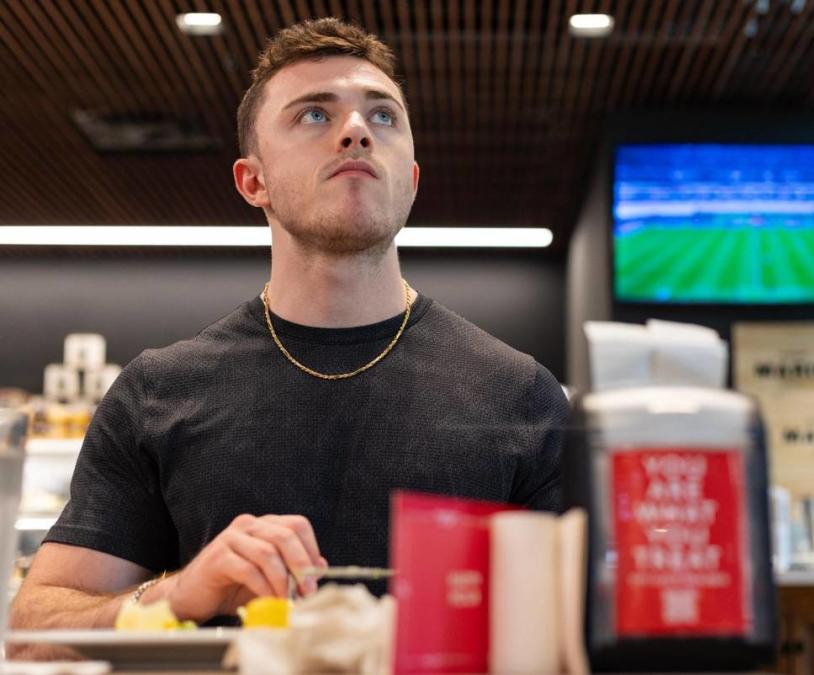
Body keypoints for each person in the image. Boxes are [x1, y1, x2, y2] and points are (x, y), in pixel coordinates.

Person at [9, 17, 567, 637]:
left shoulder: (519, 396)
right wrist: (178, 595)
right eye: (314, 115)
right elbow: (36, 630)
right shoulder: (158, 393)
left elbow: (576, 633)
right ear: (254, 181)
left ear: (410, 181)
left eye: (382, 116)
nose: (356, 131)